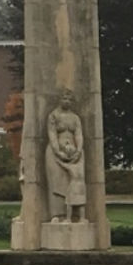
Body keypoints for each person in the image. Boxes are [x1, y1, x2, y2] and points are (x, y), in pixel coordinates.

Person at [44, 88, 87, 223]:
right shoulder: (53, 115)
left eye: (69, 99)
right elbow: (52, 134)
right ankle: (57, 214)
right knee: (56, 183)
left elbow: (78, 134)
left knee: (75, 184)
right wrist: (58, 152)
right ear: (59, 100)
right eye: (64, 98)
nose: (67, 101)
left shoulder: (75, 118)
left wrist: (79, 150)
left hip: (75, 154)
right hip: (55, 153)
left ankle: (76, 215)